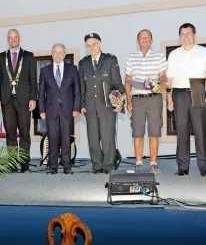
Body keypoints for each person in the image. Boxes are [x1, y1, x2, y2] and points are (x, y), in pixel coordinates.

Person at [166, 23, 206, 177]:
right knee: (181, 131)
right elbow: (169, 80)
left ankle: (204, 166)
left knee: (200, 131)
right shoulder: (174, 54)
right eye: (183, 34)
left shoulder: (205, 53)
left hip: (198, 90)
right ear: (180, 37)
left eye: (189, 33)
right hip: (179, 94)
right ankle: (183, 167)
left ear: (194, 34)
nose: (186, 36)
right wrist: (169, 99)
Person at [79, 33, 124, 174]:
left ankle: (109, 165)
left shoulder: (110, 60)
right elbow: (81, 87)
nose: (91, 47)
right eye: (88, 45)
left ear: (100, 44)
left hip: (107, 106)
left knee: (107, 138)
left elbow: (117, 84)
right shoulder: (83, 63)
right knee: (93, 138)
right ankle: (97, 165)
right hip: (90, 106)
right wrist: (81, 105)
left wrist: (120, 101)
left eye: (94, 44)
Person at [125, 29, 167, 175]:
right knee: (138, 132)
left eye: (147, 37)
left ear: (151, 40)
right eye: (142, 38)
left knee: (154, 132)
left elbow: (163, 76)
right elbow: (128, 80)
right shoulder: (131, 58)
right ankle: (138, 162)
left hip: (154, 99)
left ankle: (153, 163)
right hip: (137, 99)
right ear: (137, 41)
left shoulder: (159, 56)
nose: (144, 40)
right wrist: (128, 101)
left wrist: (161, 85)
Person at [0, 29, 37, 173]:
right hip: (7, 100)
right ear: (8, 40)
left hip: (24, 100)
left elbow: (33, 79)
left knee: (25, 133)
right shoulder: (1, 57)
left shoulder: (29, 56)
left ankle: (25, 165)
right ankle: (12, 165)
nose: (13, 40)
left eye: (15, 37)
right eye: (10, 38)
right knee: (10, 133)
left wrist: (33, 98)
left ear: (19, 38)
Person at [38, 43, 81, 174]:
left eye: (60, 52)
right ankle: (53, 166)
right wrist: (41, 110)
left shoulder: (72, 69)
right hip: (50, 110)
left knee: (66, 138)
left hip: (68, 110)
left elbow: (77, 90)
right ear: (52, 54)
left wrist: (76, 108)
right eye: (55, 52)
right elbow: (41, 93)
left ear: (64, 54)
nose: (57, 55)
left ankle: (67, 165)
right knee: (52, 138)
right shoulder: (44, 70)